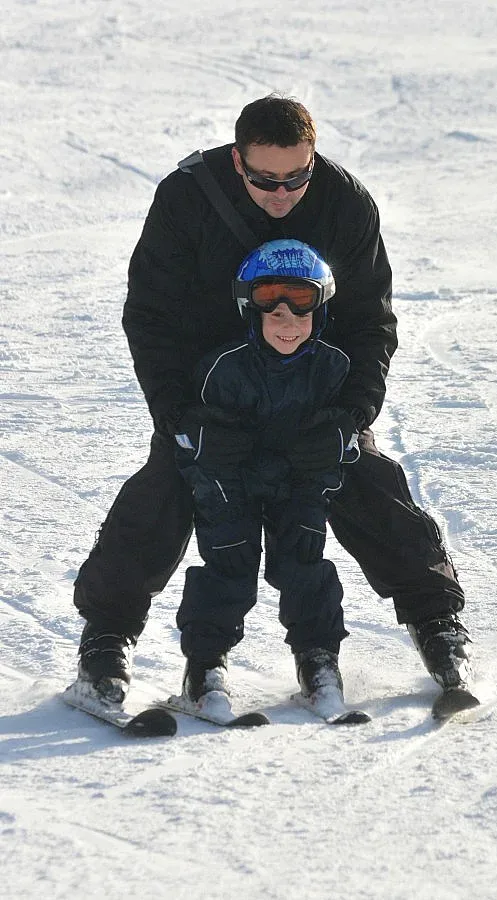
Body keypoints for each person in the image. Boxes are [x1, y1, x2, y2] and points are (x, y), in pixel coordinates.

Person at [74, 94, 472, 705]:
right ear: (238, 160)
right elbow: (150, 317)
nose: (283, 194)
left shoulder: (344, 202)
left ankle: (436, 621)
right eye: (266, 180)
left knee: (364, 478)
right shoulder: (186, 199)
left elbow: (371, 321)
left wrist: (351, 413)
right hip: (214, 394)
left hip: (312, 387)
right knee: (167, 487)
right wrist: (179, 416)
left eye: (297, 178)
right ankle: (106, 638)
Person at [175, 238, 359, 707]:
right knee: (228, 565)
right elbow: (202, 451)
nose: (288, 325)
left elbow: (329, 452)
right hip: (230, 486)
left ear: (320, 313)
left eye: (300, 313)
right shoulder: (223, 369)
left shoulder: (332, 368)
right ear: (250, 312)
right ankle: (205, 666)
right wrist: (222, 506)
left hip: (295, 485)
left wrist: (311, 501)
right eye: (274, 313)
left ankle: (318, 660)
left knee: (305, 562)